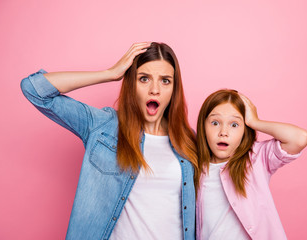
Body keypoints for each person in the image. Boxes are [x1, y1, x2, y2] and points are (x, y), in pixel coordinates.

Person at [20, 42, 198, 240]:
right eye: (144, 79)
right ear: (131, 84)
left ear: (174, 88)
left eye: (165, 81)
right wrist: (110, 73)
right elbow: (34, 90)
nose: (154, 90)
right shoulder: (103, 126)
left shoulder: (189, 141)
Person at [195, 89, 307, 240]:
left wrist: (255, 122)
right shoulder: (193, 166)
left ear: (245, 130)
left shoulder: (256, 158)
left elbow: (300, 138)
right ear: (203, 126)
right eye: (215, 123)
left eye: (234, 125)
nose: (223, 132)